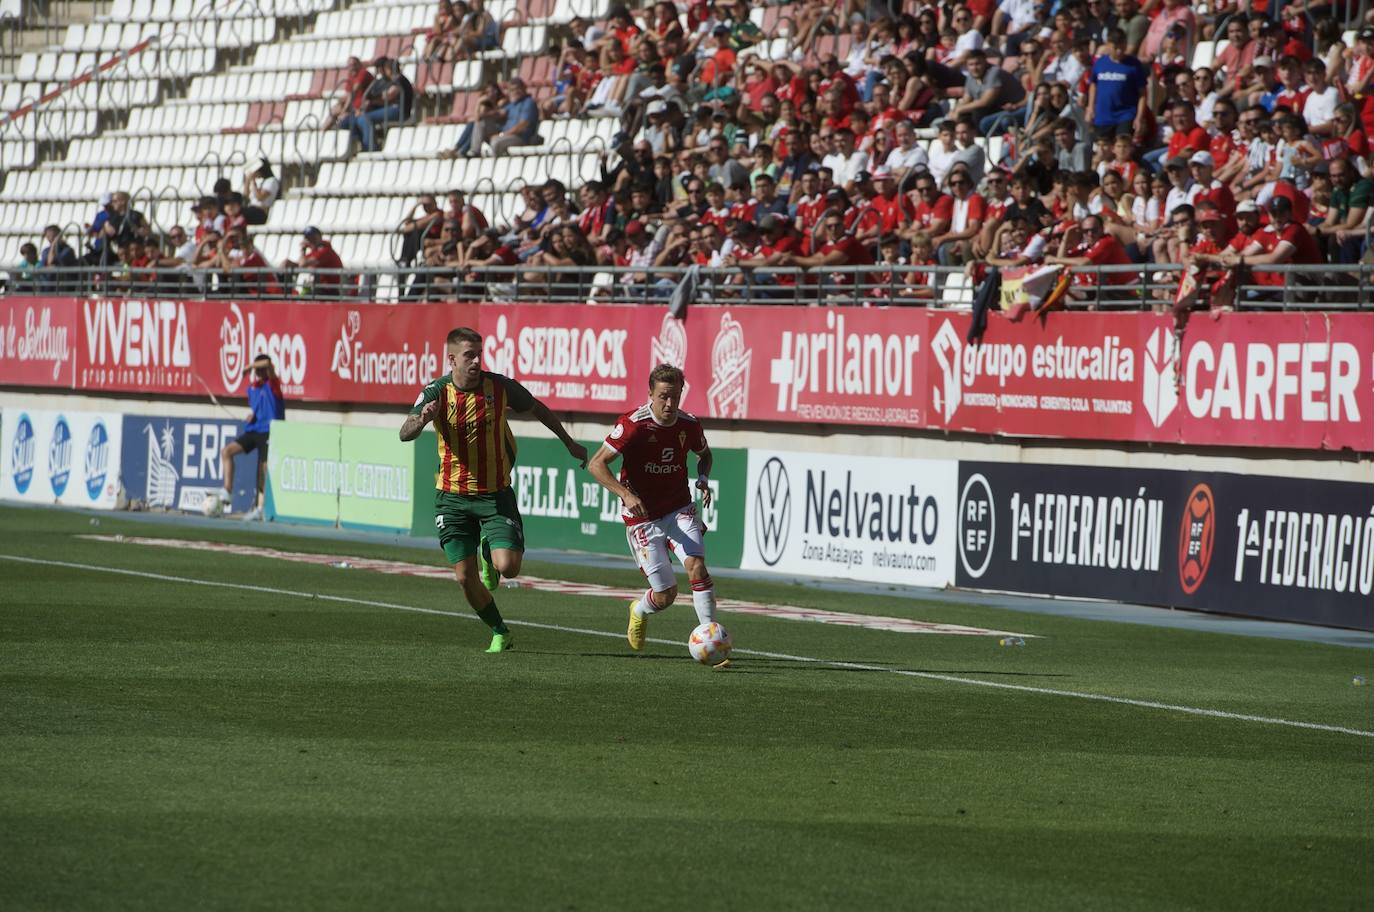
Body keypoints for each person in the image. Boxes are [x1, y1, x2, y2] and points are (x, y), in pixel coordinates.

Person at [399, 327, 588, 653]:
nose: (475, 361)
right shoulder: (436, 392)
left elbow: (538, 408)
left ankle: (490, 547)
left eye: (479, 354)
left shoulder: (499, 387)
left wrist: (569, 443)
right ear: (452, 359)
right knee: (463, 577)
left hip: (494, 494)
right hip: (451, 497)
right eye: (468, 355)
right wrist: (422, 420)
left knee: (509, 568)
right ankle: (500, 630)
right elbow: (405, 432)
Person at [586, 363, 722, 661]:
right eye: (663, 396)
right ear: (650, 393)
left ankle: (710, 636)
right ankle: (639, 609)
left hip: (679, 507)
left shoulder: (689, 425)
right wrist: (624, 494)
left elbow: (705, 454)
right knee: (666, 595)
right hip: (643, 517)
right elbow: (596, 464)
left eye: (675, 396)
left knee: (697, 567)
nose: (670, 404)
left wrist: (702, 477)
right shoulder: (634, 424)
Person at [212, 354, 285, 521]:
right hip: (255, 429)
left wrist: (250, 365)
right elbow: (258, 408)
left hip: (270, 431)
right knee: (226, 452)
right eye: (256, 370)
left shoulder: (273, 384)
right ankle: (227, 491)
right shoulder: (252, 388)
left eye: (260, 369)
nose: (257, 372)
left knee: (264, 469)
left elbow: (267, 363)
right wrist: (252, 416)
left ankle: (260, 508)